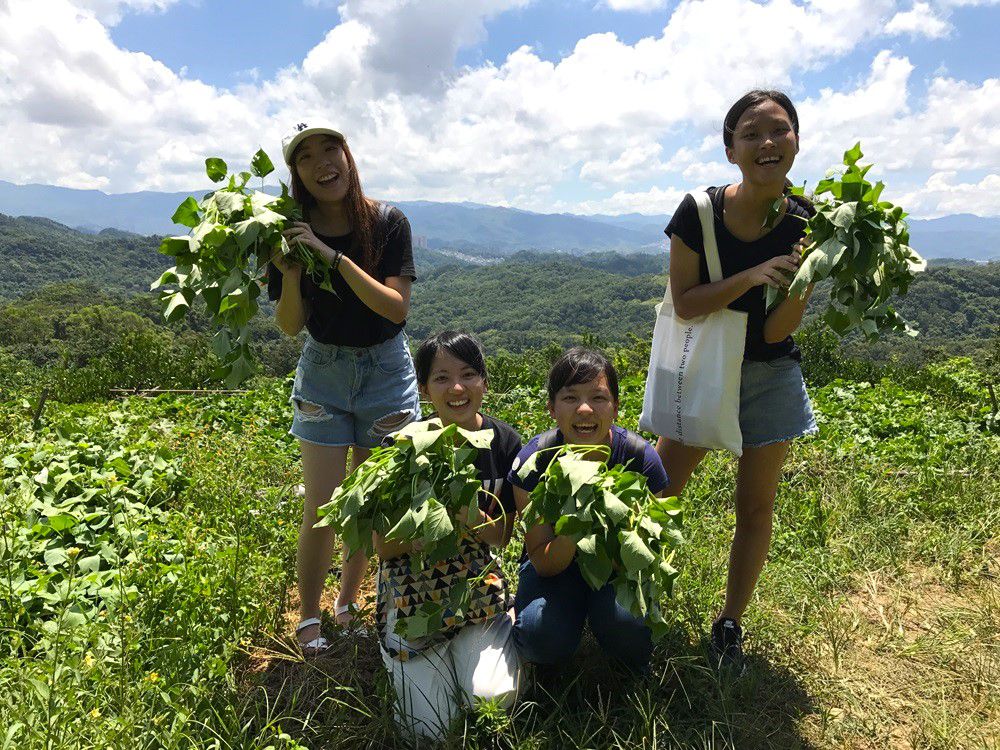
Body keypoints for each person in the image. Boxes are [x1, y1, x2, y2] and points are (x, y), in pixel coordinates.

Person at [654, 90, 818, 674]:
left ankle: (730, 622)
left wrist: (803, 281)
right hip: (704, 369)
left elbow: (774, 334)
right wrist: (752, 274)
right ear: (730, 150)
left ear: (797, 140)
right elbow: (686, 302)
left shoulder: (810, 223)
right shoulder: (698, 213)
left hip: (770, 374)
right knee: (657, 489)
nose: (766, 144)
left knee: (756, 507)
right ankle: (625, 597)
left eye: (779, 131)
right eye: (751, 134)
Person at [269, 122, 421, 653]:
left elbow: (396, 308)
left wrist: (332, 258)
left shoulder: (385, 222)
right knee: (322, 503)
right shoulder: (287, 231)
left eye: (330, 149)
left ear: (348, 156)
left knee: (369, 500)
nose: (322, 163)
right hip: (324, 373)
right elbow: (291, 324)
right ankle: (309, 616)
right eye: (305, 157)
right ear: (297, 175)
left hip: (385, 372)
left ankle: (349, 603)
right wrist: (290, 273)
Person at [374, 331, 523, 740]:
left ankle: (497, 623)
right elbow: (384, 546)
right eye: (441, 378)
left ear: (484, 382)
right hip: (413, 589)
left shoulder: (505, 443)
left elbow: (503, 538)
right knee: (431, 729)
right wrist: (432, 528)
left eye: (468, 374)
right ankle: (395, 646)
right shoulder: (401, 447)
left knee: (491, 700)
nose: (457, 388)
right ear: (423, 389)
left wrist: (469, 516)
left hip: (475, 585)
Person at [510, 347, 669, 675]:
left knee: (630, 628)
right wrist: (581, 516)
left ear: (615, 407)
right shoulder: (534, 463)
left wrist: (607, 531)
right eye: (570, 398)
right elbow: (543, 562)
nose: (584, 409)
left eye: (598, 398)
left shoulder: (640, 459)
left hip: (617, 570)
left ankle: (625, 651)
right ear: (552, 408)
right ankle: (544, 634)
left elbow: (644, 556)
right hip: (553, 567)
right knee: (541, 637)